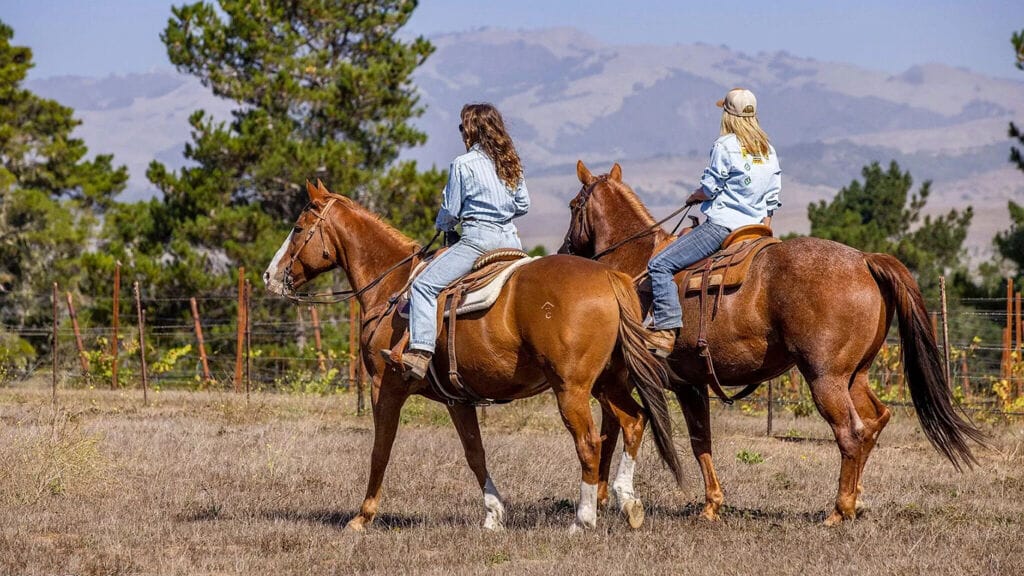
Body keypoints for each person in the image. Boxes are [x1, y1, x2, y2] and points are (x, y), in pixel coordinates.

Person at [385, 103, 530, 380]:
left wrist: (444, 224)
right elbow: (523, 205)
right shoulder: (510, 162)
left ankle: (420, 353)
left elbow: (451, 210)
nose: (461, 132)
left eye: (463, 127)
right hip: (512, 244)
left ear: (472, 130)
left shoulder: (463, 164)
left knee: (424, 286)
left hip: (478, 242)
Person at [646, 88, 781, 357]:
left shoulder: (725, 145)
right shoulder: (768, 149)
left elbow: (710, 188)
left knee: (659, 265)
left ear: (728, 115)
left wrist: (695, 196)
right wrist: (764, 229)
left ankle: (666, 329)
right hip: (756, 231)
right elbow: (772, 199)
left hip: (722, 227)